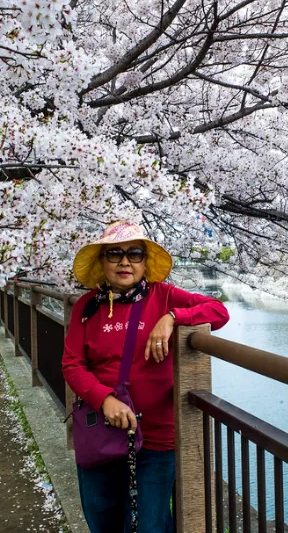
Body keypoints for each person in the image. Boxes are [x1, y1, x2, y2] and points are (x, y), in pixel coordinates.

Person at [62, 221, 229, 533]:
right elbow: (72, 364)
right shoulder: (86, 307)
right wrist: (104, 400)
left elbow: (219, 312)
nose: (125, 261)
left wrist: (173, 318)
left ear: (144, 261)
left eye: (134, 253)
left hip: (157, 437)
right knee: (102, 520)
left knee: (148, 526)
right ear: (102, 261)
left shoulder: (164, 297)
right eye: (115, 253)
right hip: (104, 431)